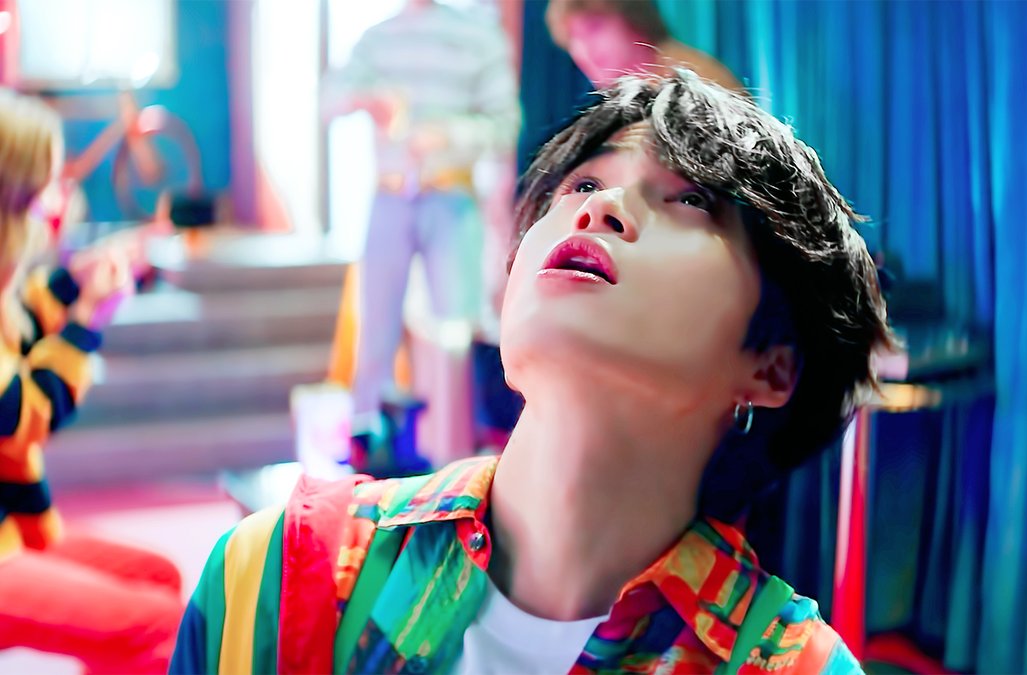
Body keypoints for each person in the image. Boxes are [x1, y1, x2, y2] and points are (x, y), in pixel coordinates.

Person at [171, 70, 891, 674]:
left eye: (689, 200)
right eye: (580, 184)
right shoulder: (272, 580)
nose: (602, 207)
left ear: (772, 366)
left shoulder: (792, 666)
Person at [0, 89, 183, 673]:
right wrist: (86, 324)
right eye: (47, 189)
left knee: (161, 578)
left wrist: (75, 281)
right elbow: (21, 420)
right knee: (164, 623)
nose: (58, 201)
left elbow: (18, 324)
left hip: (15, 529)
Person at [322, 0, 520, 473]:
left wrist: (447, 134)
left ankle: (461, 446)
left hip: (452, 197)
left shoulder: (477, 36)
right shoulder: (377, 38)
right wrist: (364, 99)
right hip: (390, 196)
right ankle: (368, 434)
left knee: (457, 327)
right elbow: (328, 101)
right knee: (376, 324)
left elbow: (505, 125)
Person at [546, 0, 744, 92]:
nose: (584, 51)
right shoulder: (624, 101)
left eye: (593, 28)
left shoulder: (696, 77)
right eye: (573, 41)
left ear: (633, 16)